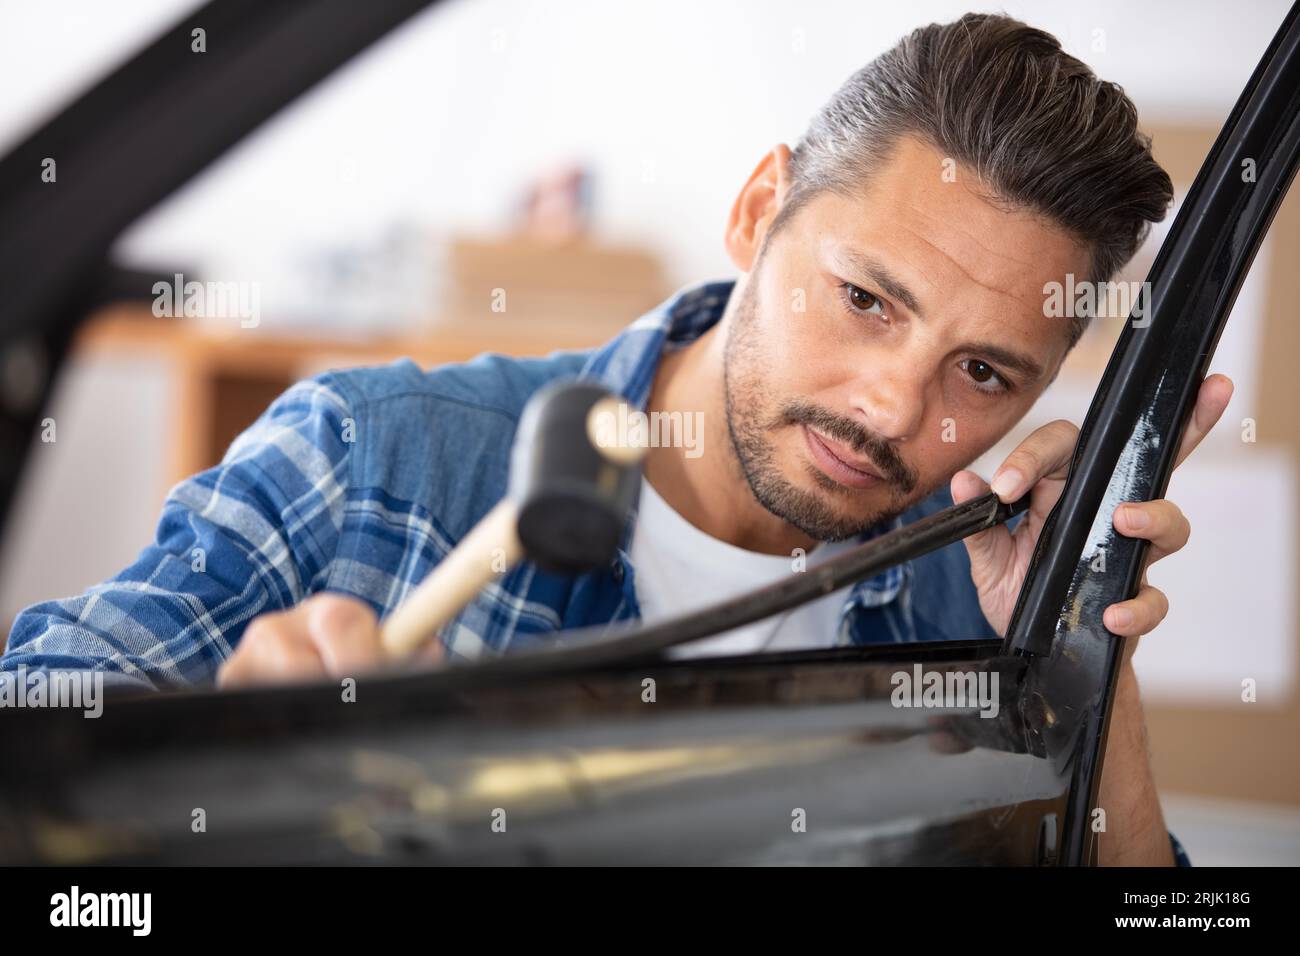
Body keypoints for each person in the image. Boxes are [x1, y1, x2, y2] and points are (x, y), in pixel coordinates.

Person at [3, 13, 1226, 865]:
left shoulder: (975, 572)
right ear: (758, 211)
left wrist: (1079, 641)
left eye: (982, 371)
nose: (895, 411)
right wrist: (196, 775)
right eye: (864, 299)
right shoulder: (371, 459)